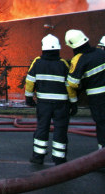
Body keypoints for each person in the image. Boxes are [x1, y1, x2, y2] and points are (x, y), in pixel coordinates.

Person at [65, 29, 105, 173]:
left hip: (99, 99)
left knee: (104, 129)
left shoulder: (80, 59)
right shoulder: (102, 53)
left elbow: (73, 83)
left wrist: (74, 98)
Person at [24, 34, 75, 165]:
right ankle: (59, 158)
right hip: (62, 104)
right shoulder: (63, 64)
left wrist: (29, 97)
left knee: (42, 128)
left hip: (44, 104)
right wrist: (73, 102)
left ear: (43, 48)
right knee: (60, 129)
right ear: (58, 48)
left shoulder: (37, 62)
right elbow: (70, 85)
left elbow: (30, 81)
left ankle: (38, 157)